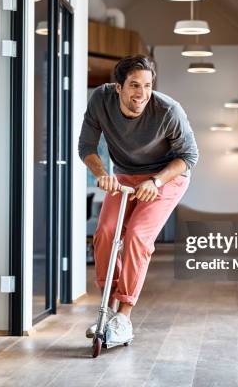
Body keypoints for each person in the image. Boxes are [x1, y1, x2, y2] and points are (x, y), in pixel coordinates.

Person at [78, 55, 199, 345]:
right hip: (124, 175)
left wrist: (156, 181)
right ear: (117, 86)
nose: (141, 93)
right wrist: (102, 173)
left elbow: (189, 157)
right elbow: (86, 146)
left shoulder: (168, 110)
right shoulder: (100, 100)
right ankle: (107, 310)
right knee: (106, 232)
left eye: (147, 85)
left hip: (166, 177)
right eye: (134, 85)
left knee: (137, 237)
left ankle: (124, 316)